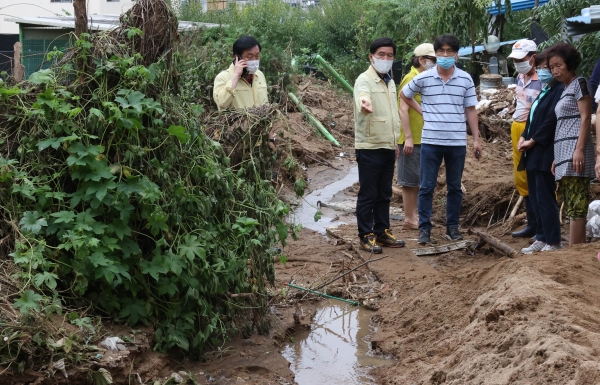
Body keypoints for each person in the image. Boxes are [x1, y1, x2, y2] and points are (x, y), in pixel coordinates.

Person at [400, 34, 482, 244]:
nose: (445, 55)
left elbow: (470, 109)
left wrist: (476, 139)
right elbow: (405, 94)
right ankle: (424, 229)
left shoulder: (465, 79)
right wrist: (422, 111)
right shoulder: (424, 77)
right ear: (436, 55)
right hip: (431, 141)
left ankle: (452, 228)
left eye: (450, 52)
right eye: (441, 52)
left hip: (456, 142)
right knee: (427, 186)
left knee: (454, 186)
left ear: (456, 54)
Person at [354, 37, 406, 253]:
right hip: (369, 145)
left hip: (387, 145)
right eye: (381, 55)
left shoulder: (390, 81)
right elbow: (362, 97)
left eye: (390, 55)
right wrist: (364, 103)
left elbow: (392, 114)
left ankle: (382, 231)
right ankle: (365, 235)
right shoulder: (364, 80)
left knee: (384, 192)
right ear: (371, 57)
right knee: (369, 193)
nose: (386, 59)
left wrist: (395, 143)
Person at [517, 51, 564, 254]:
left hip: (545, 150)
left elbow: (550, 121)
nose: (547, 71)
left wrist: (533, 140)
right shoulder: (545, 90)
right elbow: (532, 118)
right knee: (536, 197)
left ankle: (553, 240)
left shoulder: (559, 90)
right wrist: (524, 136)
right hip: (532, 152)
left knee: (545, 197)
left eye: (550, 67)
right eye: (544, 67)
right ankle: (542, 237)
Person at [548, 43, 594, 246]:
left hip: (576, 152)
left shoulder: (579, 83)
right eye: (551, 67)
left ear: (570, 64)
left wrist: (579, 150)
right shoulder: (563, 89)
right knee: (571, 199)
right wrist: (557, 157)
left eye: (558, 65)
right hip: (564, 153)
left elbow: (585, 119)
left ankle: (574, 251)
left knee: (577, 202)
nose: (554, 70)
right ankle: (579, 248)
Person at [397, 43, 436, 231]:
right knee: (409, 181)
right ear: (422, 60)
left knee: (418, 180)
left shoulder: (424, 77)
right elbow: (402, 109)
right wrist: (408, 137)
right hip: (412, 138)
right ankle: (409, 218)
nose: (436, 63)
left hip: (424, 137)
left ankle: (414, 216)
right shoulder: (410, 78)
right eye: (433, 60)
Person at [508, 39, 542, 239]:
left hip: (533, 129)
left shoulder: (543, 79)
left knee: (537, 175)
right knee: (522, 176)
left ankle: (542, 225)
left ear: (533, 57)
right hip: (517, 126)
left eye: (522, 59)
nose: (518, 63)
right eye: (516, 60)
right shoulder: (520, 77)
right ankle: (532, 223)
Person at [213, 36, 268, 111]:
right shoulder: (223, 77)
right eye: (250, 56)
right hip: (240, 122)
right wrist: (236, 76)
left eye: (257, 56)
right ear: (237, 57)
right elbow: (222, 103)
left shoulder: (260, 75)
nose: (254, 60)